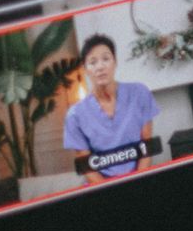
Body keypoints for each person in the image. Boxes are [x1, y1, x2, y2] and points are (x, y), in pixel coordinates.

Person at [62, 33, 160, 185]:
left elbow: (146, 148)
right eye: (92, 62)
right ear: (85, 69)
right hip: (100, 188)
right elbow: (88, 167)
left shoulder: (139, 93)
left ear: (115, 62)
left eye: (106, 59)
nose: (100, 67)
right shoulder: (75, 115)